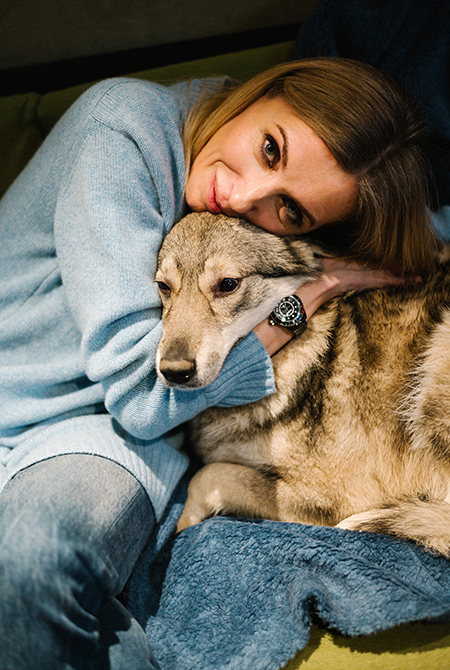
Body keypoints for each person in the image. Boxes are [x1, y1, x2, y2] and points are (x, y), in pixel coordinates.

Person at [0, 57, 441, 669]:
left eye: (290, 210)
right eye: (269, 148)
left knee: (30, 560)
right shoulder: (120, 130)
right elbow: (147, 391)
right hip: (63, 409)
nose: (239, 196)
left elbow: (148, 410)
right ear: (265, 91)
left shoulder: (253, 229)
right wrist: (309, 295)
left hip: (107, 436)